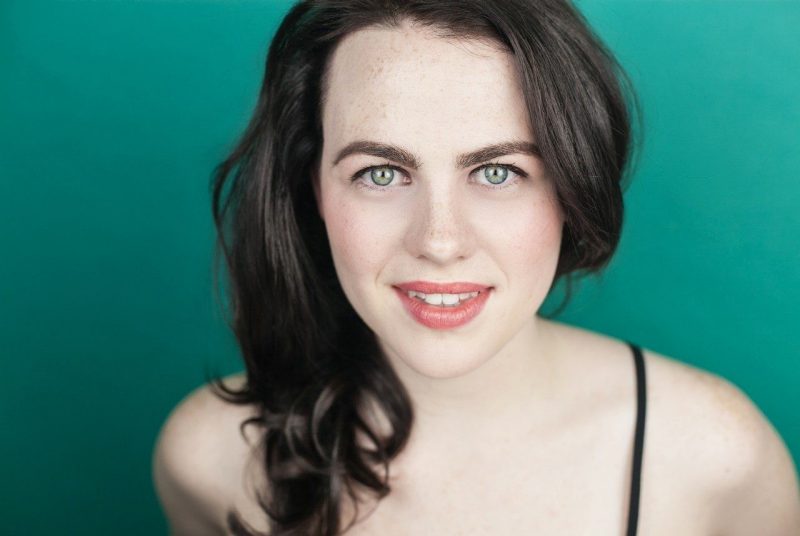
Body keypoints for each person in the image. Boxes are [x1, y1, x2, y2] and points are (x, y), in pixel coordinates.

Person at [152, 1, 800, 535]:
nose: (439, 241)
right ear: (310, 188)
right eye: (381, 172)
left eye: (498, 172)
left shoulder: (715, 459)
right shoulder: (209, 459)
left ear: (571, 190)